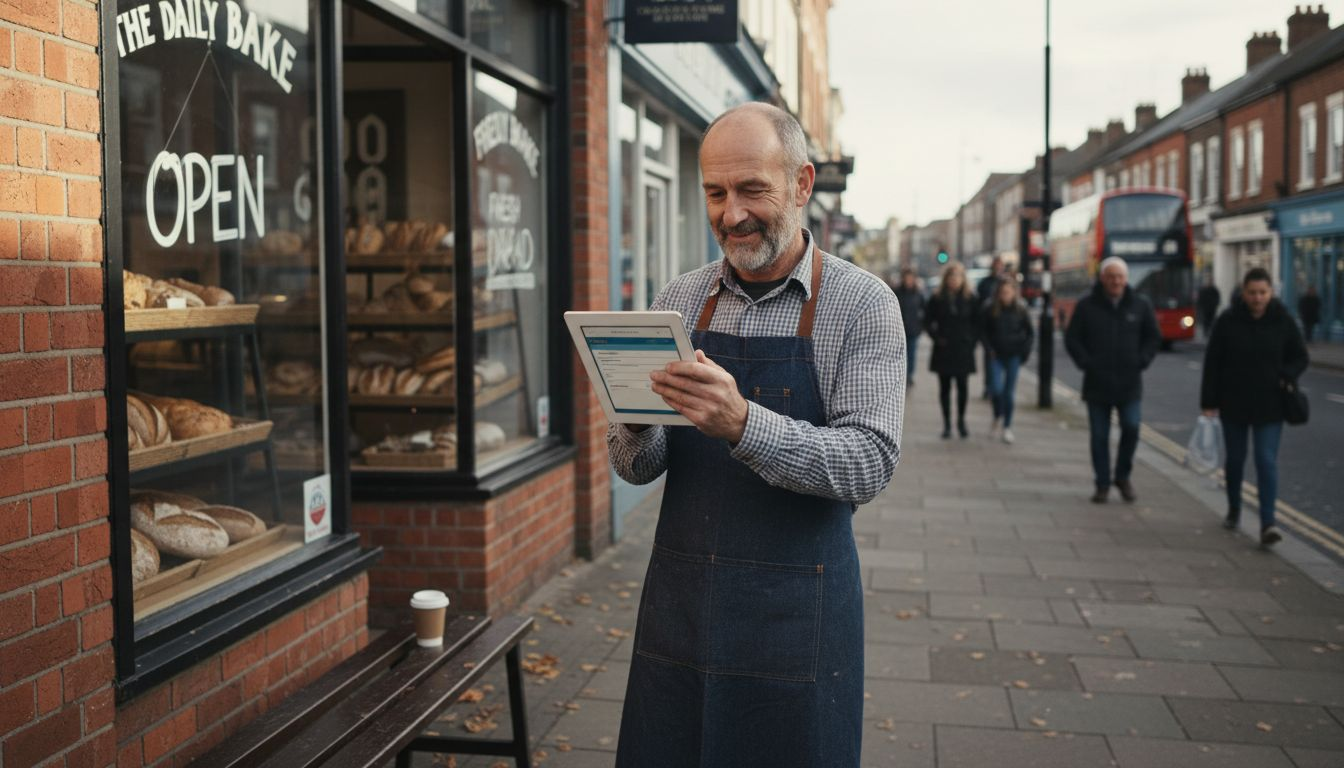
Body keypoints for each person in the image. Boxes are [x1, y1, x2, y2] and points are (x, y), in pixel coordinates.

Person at [606, 102, 904, 768]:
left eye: (751, 190)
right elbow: (638, 468)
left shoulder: (863, 305)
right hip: (679, 611)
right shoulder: (678, 301)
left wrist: (744, 424)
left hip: (800, 619)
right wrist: (630, 419)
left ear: (802, 185)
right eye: (715, 192)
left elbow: (868, 463)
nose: (730, 213)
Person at [1201, 268, 1309, 547]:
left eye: (1263, 292)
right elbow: (1213, 363)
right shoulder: (1227, 321)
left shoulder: (1283, 321)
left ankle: (1267, 523)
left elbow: (1300, 357)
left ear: (1270, 292)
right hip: (1233, 403)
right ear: (1243, 292)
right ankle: (1234, 508)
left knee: (1266, 461)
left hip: (1270, 405)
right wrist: (1209, 403)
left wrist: (1287, 374)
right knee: (1235, 459)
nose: (1258, 298)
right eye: (1252, 293)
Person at [1064, 257, 1160, 503]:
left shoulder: (1140, 304)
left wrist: (1142, 360)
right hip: (1097, 382)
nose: (1116, 281)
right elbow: (1072, 338)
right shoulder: (1087, 305)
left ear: (1126, 279)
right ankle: (1102, 483)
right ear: (1102, 278)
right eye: (1111, 276)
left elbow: (1153, 337)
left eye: (1120, 277)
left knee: (1131, 427)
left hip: (1129, 382)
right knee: (1099, 436)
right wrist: (1086, 363)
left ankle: (1123, 476)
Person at [926, 261, 979, 439]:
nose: (954, 280)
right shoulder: (937, 297)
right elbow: (927, 321)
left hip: (963, 349)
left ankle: (961, 422)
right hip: (944, 348)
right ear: (946, 279)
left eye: (957, 277)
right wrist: (937, 337)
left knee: (963, 387)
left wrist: (971, 341)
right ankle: (947, 424)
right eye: (951, 277)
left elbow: (977, 323)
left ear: (963, 279)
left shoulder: (971, 298)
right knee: (945, 388)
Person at [982, 278, 1033, 444]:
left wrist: (1024, 352)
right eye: (1003, 292)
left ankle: (1007, 426)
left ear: (1014, 292)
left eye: (1009, 292)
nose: (1006, 295)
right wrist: (989, 349)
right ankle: (997, 415)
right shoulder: (991, 308)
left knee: (1009, 393)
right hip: (996, 355)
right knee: (996, 390)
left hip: (1014, 356)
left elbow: (1030, 332)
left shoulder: (1021, 309)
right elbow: (983, 331)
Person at [977, 257, 1006, 398]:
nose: (998, 268)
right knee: (989, 359)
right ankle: (989, 387)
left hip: (1003, 328)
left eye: (1000, 266)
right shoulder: (985, 283)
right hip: (988, 326)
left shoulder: (1005, 283)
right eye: (996, 265)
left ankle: (996, 388)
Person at [893, 268, 925, 388]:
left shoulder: (918, 293)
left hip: (913, 329)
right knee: (900, 355)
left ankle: (910, 375)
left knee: (911, 354)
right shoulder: (896, 292)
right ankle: (901, 375)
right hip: (898, 329)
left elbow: (923, 310)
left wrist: (920, 326)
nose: (908, 280)